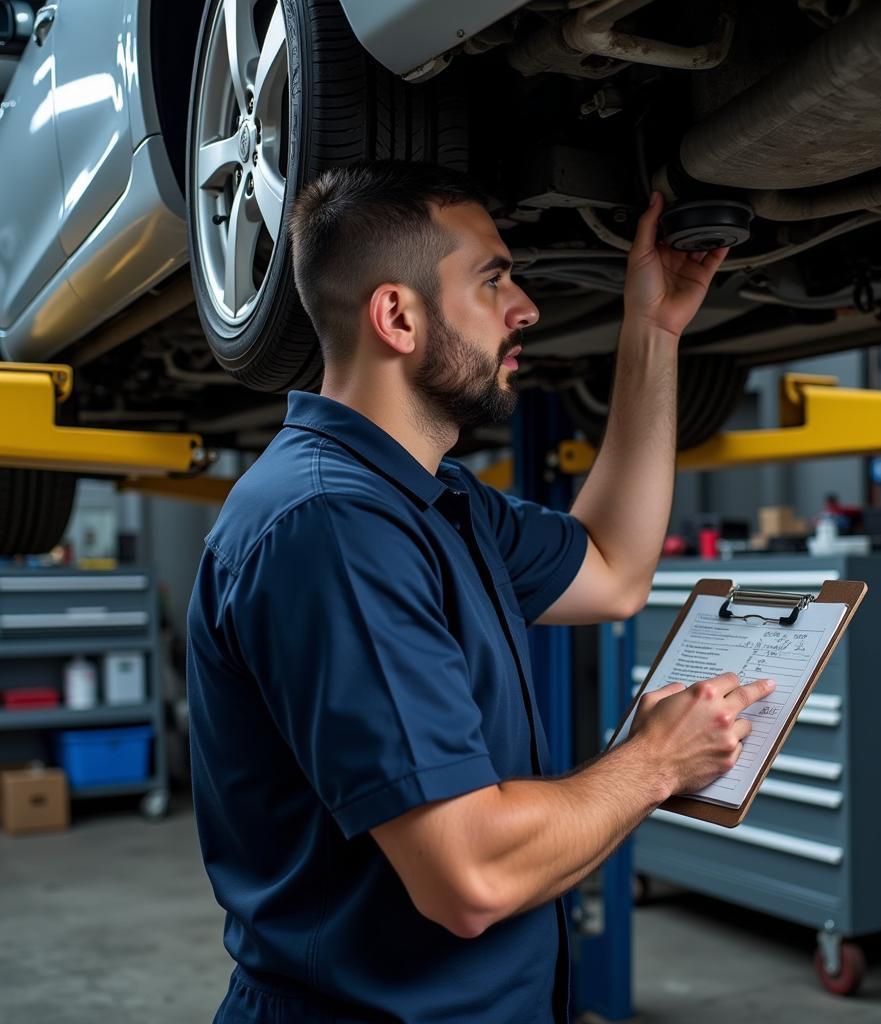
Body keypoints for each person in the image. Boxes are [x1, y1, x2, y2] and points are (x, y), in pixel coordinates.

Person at [186, 160, 775, 1024]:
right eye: (491, 280)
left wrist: (652, 328)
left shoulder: (436, 500)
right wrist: (655, 763)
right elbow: (470, 875)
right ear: (397, 316)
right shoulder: (332, 529)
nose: (525, 306)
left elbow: (613, 569)